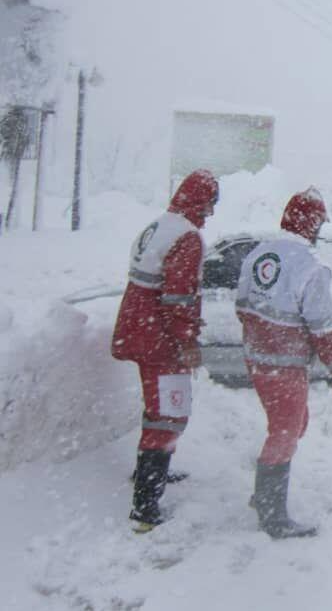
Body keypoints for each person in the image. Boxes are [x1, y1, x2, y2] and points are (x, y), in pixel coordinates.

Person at [235, 187, 332, 539]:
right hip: (284, 364)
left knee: (295, 424)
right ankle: (272, 514)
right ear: (312, 224)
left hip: (257, 359)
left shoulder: (259, 252)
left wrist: (261, 338)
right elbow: (323, 326)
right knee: (285, 431)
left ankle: (264, 494)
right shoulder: (311, 267)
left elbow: (242, 305)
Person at [111, 169, 219, 532]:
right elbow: (178, 297)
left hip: (138, 328)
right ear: (199, 201)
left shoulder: (159, 225)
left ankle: (150, 471)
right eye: (210, 204)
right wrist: (187, 341)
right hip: (160, 336)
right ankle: (145, 505)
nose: (211, 213)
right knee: (169, 412)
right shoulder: (188, 237)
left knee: (157, 407)